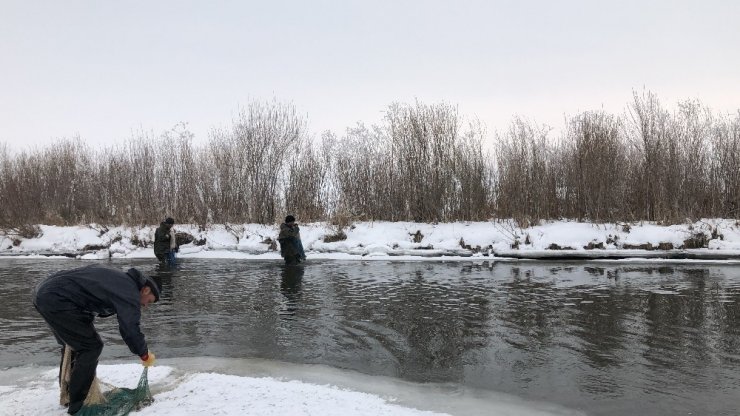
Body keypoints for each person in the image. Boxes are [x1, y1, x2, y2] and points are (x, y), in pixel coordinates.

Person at [32, 264, 160, 415]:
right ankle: (79, 404)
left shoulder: (120, 280)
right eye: (149, 301)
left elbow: (87, 295)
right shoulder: (130, 291)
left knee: (74, 345)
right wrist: (143, 353)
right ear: (145, 289)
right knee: (90, 347)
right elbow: (130, 329)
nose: (145, 305)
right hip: (58, 299)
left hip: (45, 294)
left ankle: (69, 393)